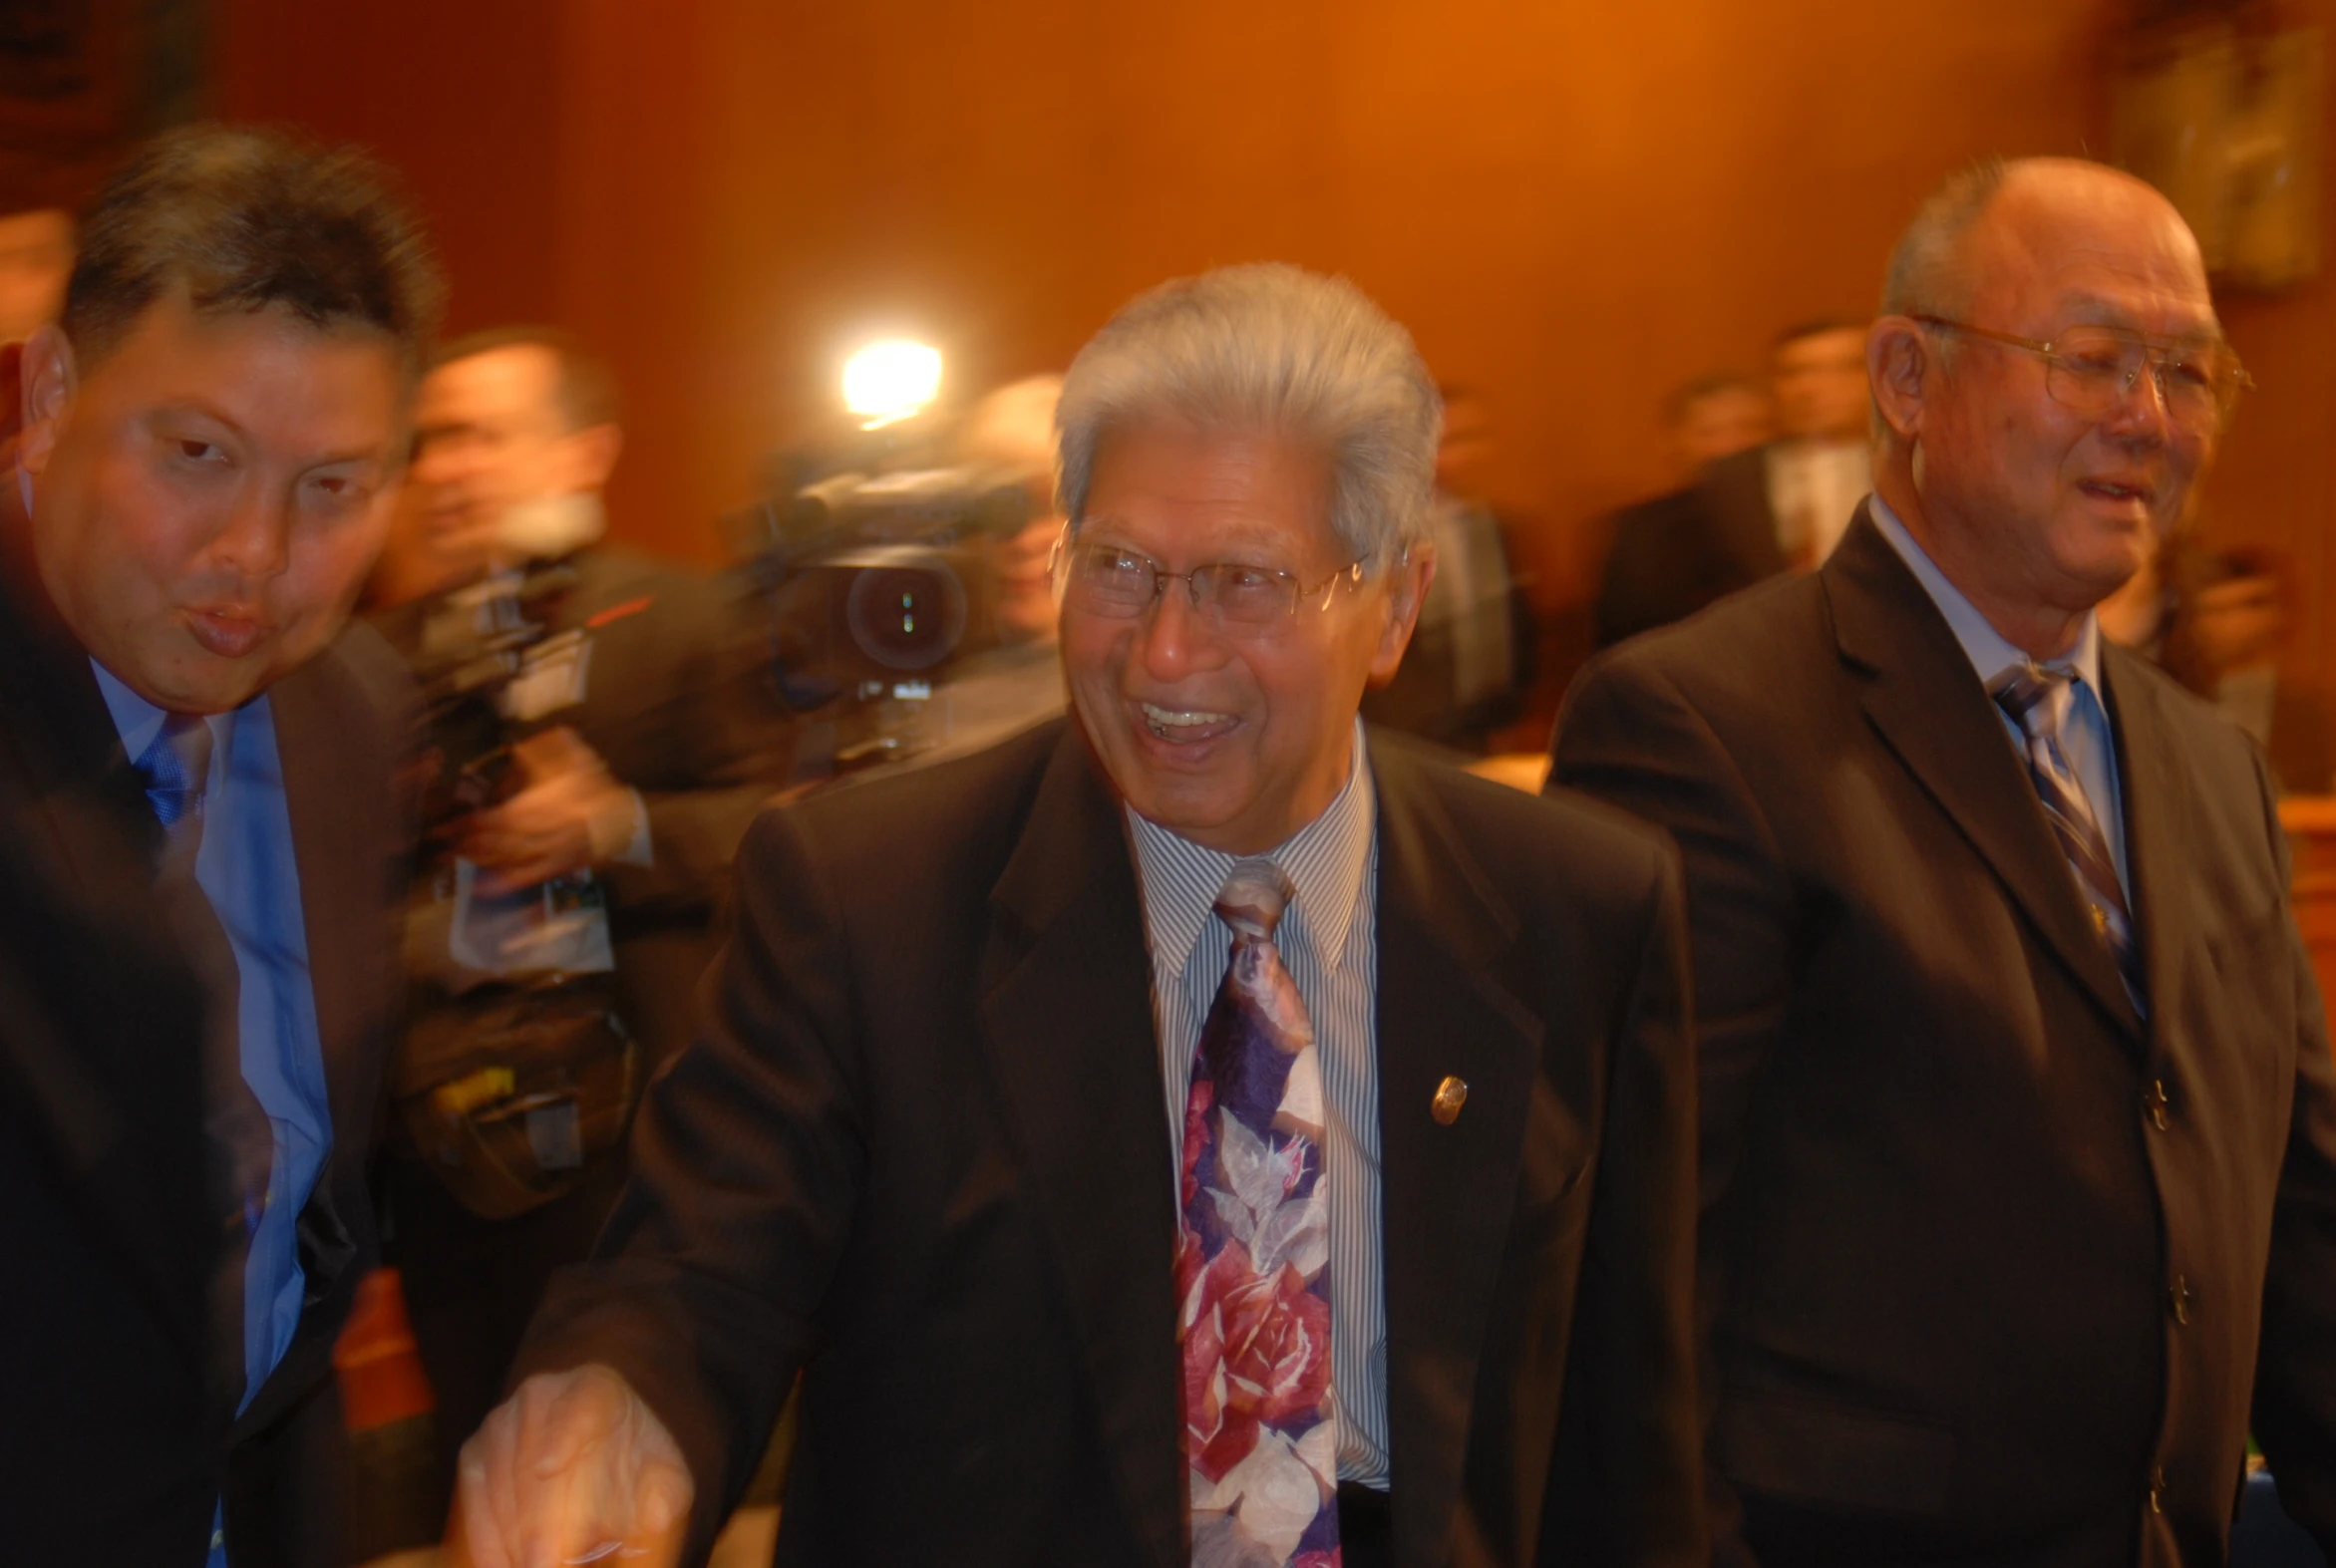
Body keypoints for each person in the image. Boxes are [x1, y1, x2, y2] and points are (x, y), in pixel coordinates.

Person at [455, 262, 1702, 1568]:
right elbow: (693, 1272)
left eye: (1242, 582)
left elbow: (1629, 1440)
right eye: (1115, 567)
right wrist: (610, 1405)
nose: (1162, 653)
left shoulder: (1575, 910)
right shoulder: (866, 899)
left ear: (1390, 604)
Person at [1553, 157, 2336, 1565]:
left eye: (2188, 371)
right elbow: (1633, 1294)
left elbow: (2298, 1226)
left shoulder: (2209, 769)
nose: (2144, 418)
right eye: (2088, 355)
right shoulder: (1698, 726)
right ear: (1904, 379)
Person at [0, 126, 441, 1566]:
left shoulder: (351, 712)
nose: (255, 551)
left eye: (333, 489)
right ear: (53, 392)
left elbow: (296, 1204)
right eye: (196, 455)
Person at [367, 325, 792, 1532]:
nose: (450, 468)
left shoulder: (690, 620)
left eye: (483, 436)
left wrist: (619, 825)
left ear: (584, 451)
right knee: (479, 1483)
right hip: (441, 1158)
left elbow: (800, 835)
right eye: (431, 441)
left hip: (636, 1155)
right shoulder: (373, 664)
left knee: (630, 1484)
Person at [1592, 324, 1867, 650]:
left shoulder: (1919, 476)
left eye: (1840, 368)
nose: (1812, 387)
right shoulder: (1724, 483)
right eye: (1795, 373)